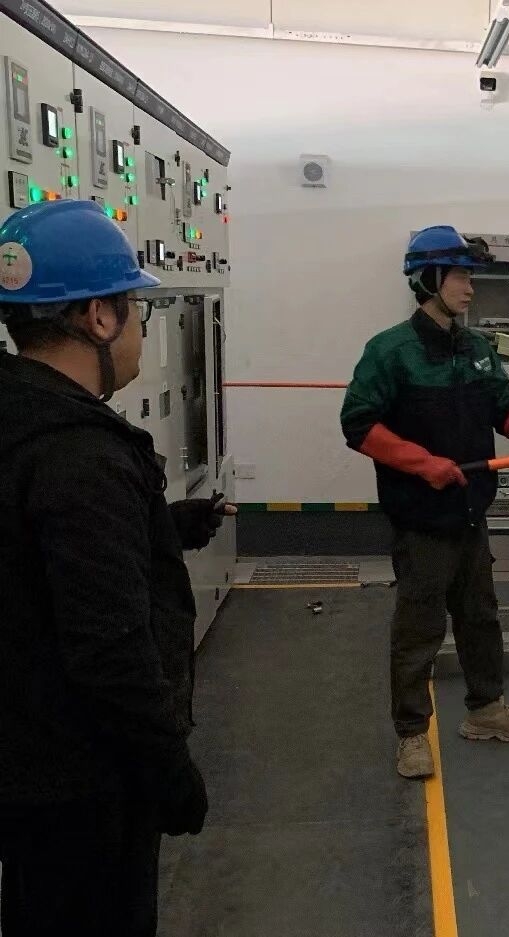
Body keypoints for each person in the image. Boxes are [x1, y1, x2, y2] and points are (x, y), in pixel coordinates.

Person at [0, 200, 233, 935]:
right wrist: (169, 773)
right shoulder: (82, 454)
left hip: (22, 759)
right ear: (99, 318)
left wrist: (159, 527)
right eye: (139, 310)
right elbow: (108, 648)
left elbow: (32, 564)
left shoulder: (22, 422)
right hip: (80, 780)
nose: (141, 331)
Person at [340, 226, 509, 780]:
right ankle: (411, 733)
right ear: (428, 279)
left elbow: (505, 408)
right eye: (459, 276)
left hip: (471, 512)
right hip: (421, 519)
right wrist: (421, 462)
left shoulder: (476, 349)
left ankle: (486, 709)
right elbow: (358, 425)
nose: (470, 288)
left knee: (480, 617)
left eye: (470, 276)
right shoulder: (389, 352)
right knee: (419, 628)